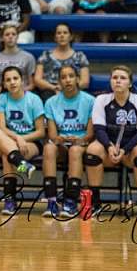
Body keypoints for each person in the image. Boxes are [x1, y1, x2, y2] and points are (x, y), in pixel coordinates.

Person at [85, 66, 137, 216]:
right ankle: (95, 203)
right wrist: (109, 147)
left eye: (122, 78)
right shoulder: (101, 100)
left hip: (131, 150)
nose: (118, 81)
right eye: (115, 78)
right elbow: (99, 129)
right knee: (92, 150)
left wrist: (124, 150)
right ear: (110, 82)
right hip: (108, 148)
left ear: (130, 83)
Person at [42, 65, 95, 217]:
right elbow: (52, 135)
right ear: (59, 81)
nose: (68, 80)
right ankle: (51, 201)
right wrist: (59, 139)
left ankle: (70, 201)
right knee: (48, 148)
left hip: (81, 144)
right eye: (63, 77)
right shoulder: (51, 102)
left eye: (71, 76)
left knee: (75, 150)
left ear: (78, 79)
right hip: (61, 145)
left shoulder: (90, 101)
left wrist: (80, 140)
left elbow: (90, 135)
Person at [0, 66, 45, 215]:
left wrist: (22, 138)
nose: (12, 82)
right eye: (8, 80)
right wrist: (17, 138)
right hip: (7, 141)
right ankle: (22, 165)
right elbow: (1, 128)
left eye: (15, 78)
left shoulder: (34, 99)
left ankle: (10, 200)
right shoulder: (1, 99)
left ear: (22, 80)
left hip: (30, 142)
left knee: (7, 156)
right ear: (4, 84)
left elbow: (41, 131)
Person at [33, 23, 91, 99]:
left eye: (65, 33)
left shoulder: (80, 56)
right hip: (50, 91)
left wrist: (67, 89)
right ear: (55, 37)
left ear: (71, 37)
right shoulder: (45, 55)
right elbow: (37, 79)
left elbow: (85, 81)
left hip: (74, 90)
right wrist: (54, 88)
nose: (62, 35)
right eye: (59, 33)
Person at [0, 24, 36, 94]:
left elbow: (32, 85)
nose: (10, 36)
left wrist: (18, 91)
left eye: (13, 34)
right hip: (2, 93)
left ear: (17, 37)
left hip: (23, 93)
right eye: (7, 34)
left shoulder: (28, 57)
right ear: (2, 38)